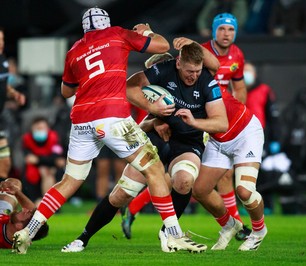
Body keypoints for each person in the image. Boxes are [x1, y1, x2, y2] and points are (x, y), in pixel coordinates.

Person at [12, 7, 206, 254]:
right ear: (107, 23)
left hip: (82, 120)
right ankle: (173, 236)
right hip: (112, 118)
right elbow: (161, 45)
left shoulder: (74, 50)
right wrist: (146, 31)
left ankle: (27, 233)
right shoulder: (117, 34)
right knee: (154, 168)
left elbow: (66, 91)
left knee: (69, 180)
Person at [62, 40, 227, 253]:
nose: (193, 76)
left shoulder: (207, 81)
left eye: (197, 71)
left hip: (188, 141)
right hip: (155, 140)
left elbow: (221, 123)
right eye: (189, 71)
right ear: (178, 63)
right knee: (121, 195)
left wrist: (194, 122)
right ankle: (83, 238)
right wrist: (152, 114)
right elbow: (129, 87)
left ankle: (168, 233)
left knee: (184, 180)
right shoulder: (163, 71)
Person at [201, 12, 251, 240]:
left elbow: (239, 87)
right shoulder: (200, 52)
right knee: (176, 175)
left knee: (224, 174)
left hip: (220, 122)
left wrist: (233, 112)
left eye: (231, 30)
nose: (226, 34)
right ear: (213, 31)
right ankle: (133, 210)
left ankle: (236, 225)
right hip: (199, 119)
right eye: (221, 29)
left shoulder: (237, 55)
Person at [243, 62, 281, 213]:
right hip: (240, 135)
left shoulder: (264, 90)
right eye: (244, 71)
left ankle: (268, 205)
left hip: (261, 137)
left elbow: (273, 117)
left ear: (255, 74)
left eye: (249, 71)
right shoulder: (236, 90)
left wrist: (275, 140)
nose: (246, 74)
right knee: (242, 172)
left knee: (263, 172)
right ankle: (246, 205)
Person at [0, 27, 26, 181]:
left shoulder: (3, 59)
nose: (1, 43)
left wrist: (14, 93)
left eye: (2, 39)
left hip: (1, 118)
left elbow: (4, 84)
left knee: (5, 164)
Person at [21, 116, 65, 205]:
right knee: (40, 172)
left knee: (48, 172)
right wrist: (48, 161)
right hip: (34, 173)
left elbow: (57, 159)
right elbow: (29, 159)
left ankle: (48, 203)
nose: (40, 130)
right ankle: (42, 201)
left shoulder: (54, 138)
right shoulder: (27, 140)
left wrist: (39, 160)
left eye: (42, 128)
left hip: (51, 170)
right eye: (37, 128)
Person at [0, 178, 48, 249]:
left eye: (26, 213)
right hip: (4, 215)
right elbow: (33, 209)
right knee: (15, 183)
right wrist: (17, 192)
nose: (25, 209)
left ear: (19, 226)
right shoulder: (15, 233)